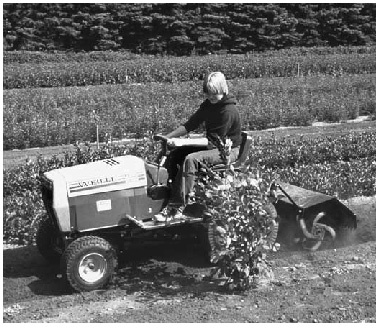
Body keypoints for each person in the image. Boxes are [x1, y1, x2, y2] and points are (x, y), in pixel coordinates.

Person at [154, 72, 242, 221]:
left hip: (227, 150)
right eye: (208, 93)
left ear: (222, 89)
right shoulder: (209, 106)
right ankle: (169, 193)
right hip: (214, 145)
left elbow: (213, 143)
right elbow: (190, 124)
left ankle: (177, 207)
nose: (211, 97)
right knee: (176, 154)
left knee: (191, 160)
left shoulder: (227, 111)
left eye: (214, 93)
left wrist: (183, 142)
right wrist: (168, 137)